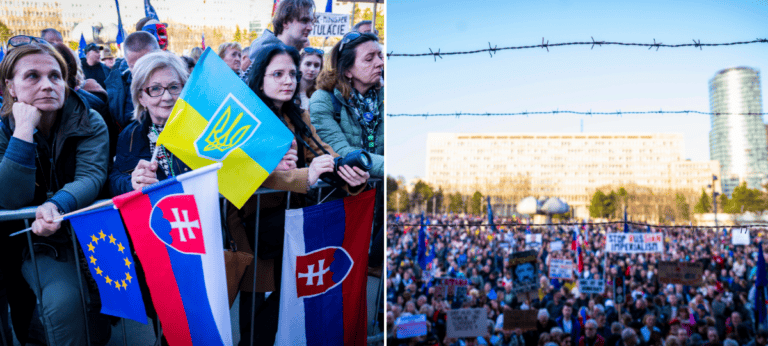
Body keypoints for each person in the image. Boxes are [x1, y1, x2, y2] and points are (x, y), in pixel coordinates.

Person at [237, 42, 370, 346]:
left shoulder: (299, 116)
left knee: (293, 299)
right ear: (259, 79)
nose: (288, 80)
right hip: (255, 228)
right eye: (278, 74)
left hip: (294, 227)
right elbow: (241, 173)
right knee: (257, 315)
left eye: (293, 74)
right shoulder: (243, 120)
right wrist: (303, 174)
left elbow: (322, 152)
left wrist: (347, 171)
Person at [0, 37, 110, 346]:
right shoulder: (2, 128)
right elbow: (9, 199)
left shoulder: (90, 120)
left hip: (92, 235)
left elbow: (91, 176)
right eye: (33, 76)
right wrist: (22, 133)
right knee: (64, 303)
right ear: (11, 86)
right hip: (34, 244)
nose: (48, 84)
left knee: (102, 323)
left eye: (55, 76)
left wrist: (56, 204)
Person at [108, 50, 192, 196]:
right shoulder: (130, 135)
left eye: (173, 87)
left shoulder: (202, 127)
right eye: (155, 89)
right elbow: (114, 179)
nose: (167, 97)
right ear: (141, 97)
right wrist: (132, 182)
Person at [310, 31, 384, 179]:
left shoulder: (384, 96)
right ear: (347, 71)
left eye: (380, 56)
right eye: (369, 59)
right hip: (343, 195)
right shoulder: (324, 99)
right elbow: (341, 151)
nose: (380, 63)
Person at [243, 0, 315, 81]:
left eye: (311, 22)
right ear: (285, 22)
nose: (310, 27)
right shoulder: (268, 56)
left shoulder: (288, 54)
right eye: (304, 20)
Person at [106, 31, 160, 131]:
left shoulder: (179, 85)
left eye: (147, 63)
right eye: (134, 66)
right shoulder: (116, 90)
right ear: (127, 62)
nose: (141, 71)